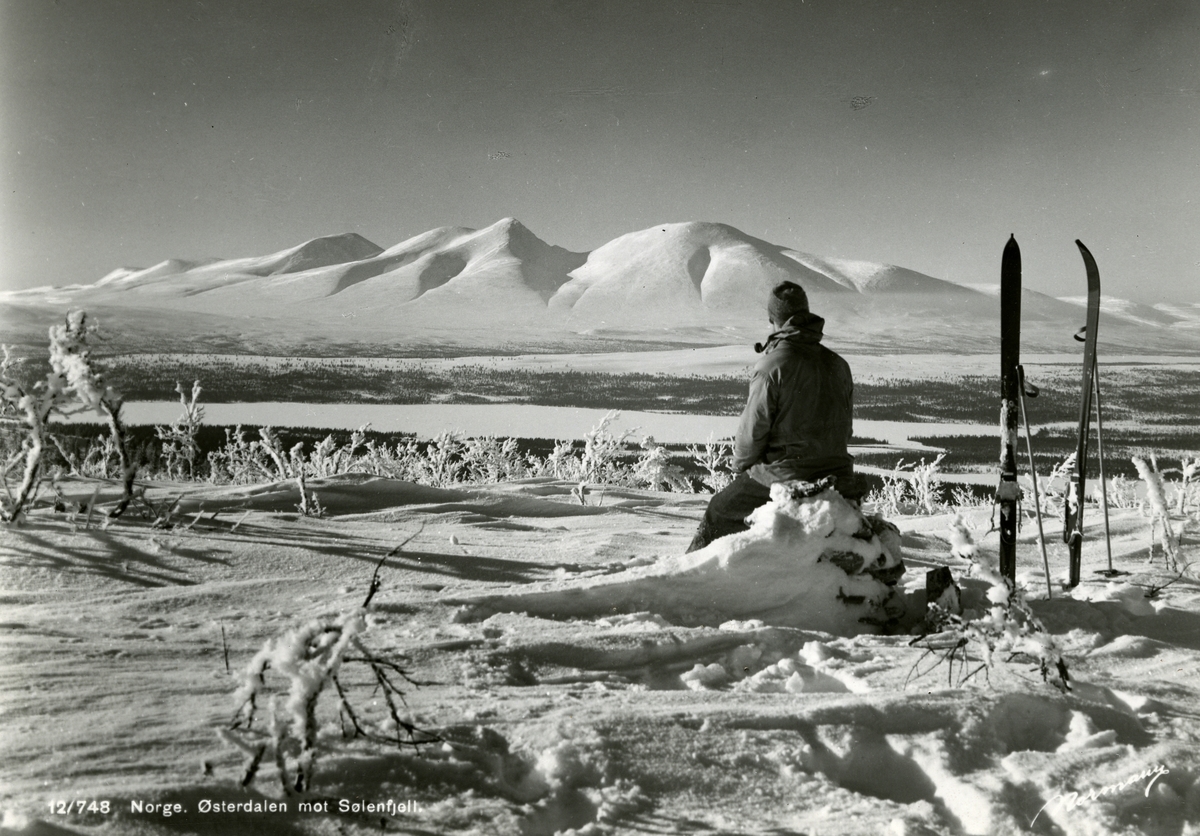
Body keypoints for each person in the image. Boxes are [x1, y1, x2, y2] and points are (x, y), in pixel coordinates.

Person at [687, 280, 855, 552]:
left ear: (773, 320)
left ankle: (695, 579)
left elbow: (752, 433)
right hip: (839, 472)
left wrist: (742, 467)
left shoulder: (772, 364)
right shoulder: (838, 364)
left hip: (788, 473)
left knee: (719, 510)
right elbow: (845, 429)